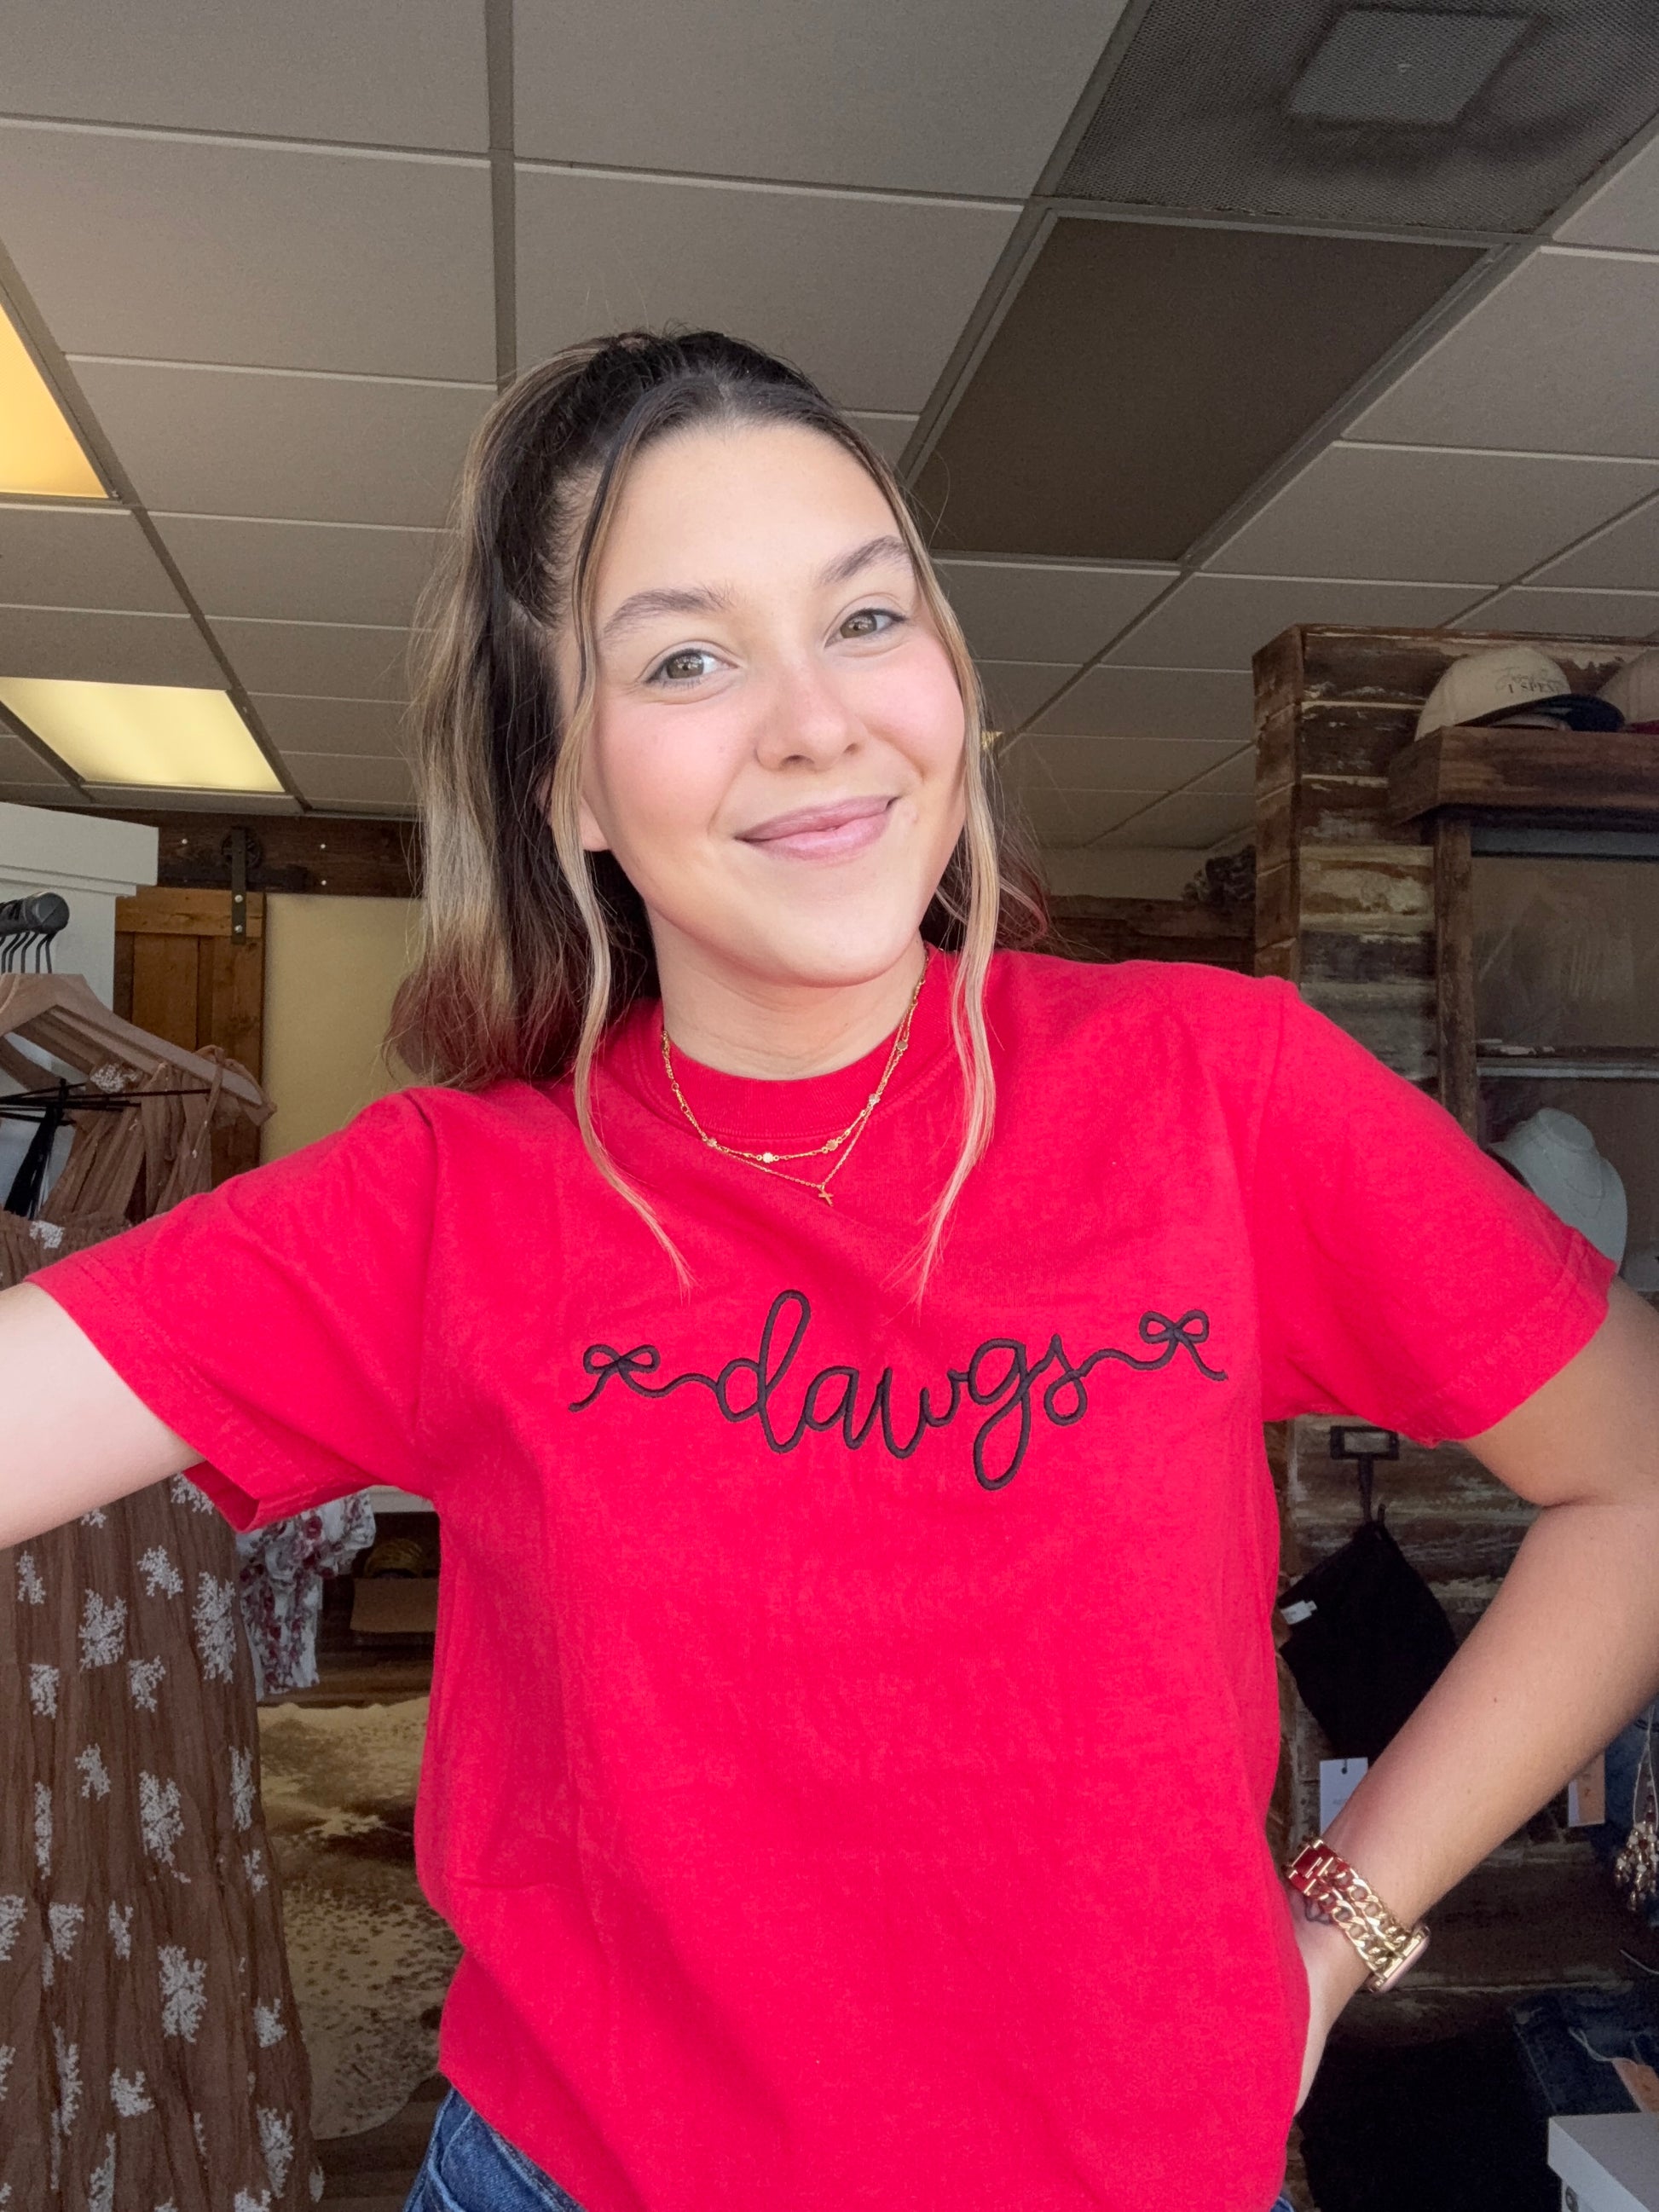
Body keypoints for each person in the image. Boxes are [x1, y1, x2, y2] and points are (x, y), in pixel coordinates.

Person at [4, 328, 1659, 2212]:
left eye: (865, 618)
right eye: (685, 657)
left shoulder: (1218, 1088)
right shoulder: (450, 1203)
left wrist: (1339, 1928)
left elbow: (1634, 1476)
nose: (813, 720)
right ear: (566, 789)